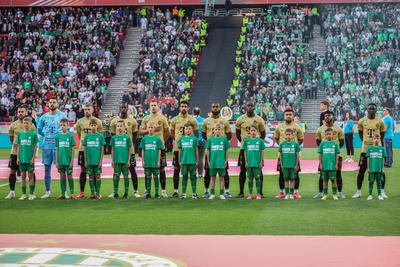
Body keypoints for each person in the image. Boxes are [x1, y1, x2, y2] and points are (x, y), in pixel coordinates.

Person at [353, 103, 386, 199]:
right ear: (367, 110)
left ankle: (382, 192)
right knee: (362, 171)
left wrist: (377, 144)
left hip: (377, 150)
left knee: (381, 171)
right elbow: (360, 133)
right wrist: (365, 142)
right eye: (370, 109)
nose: (371, 110)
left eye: (373, 109)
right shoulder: (362, 121)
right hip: (365, 149)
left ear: (376, 110)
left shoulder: (380, 121)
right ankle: (358, 191)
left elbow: (382, 134)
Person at [37, 97, 67, 199]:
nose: (52, 104)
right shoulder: (43, 117)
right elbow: (39, 130)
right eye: (50, 102)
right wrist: (46, 135)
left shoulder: (62, 115)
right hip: (47, 146)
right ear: (48, 105)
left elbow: (66, 130)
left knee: (62, 169)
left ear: (57, 104)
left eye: (54, 102)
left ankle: (64, 192)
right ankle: (47, 191)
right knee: (47, 169)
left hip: (59, 146)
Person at [235, 101, 266, 198]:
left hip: (255, 149)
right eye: (248, 105)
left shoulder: (259, 119)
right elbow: (237, 134)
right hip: (244, 149)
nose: (250, 107)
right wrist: (246, 143)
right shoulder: (240, 119)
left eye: (251, 105)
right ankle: (241, 192)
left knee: (259, 170)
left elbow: (263, 134)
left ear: (254, 107)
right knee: (242, 170)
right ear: (246, 107)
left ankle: (259, 192)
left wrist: (255, 142)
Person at [140, 100, 170, 198]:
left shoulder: (162, 118)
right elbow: (140, 131)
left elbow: (167, 132)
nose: (153, 107)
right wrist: (149, 130)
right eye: (151, 105)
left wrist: (161, 142)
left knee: (161, 169)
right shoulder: (146, 118)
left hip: (159, 148)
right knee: (147, 169)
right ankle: (146, 190)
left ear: (158, 107)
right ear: (149, 107)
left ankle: (163, 190)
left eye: (155, 105)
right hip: (149, 147)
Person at [5, 105, 36, 199]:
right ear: (17, 113)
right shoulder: (13, 125)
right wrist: (16, 145)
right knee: (12, 171)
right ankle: (12, 191)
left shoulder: (31, 125)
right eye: (19, 112)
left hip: (27, 152)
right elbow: (11, 138)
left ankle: (32, 192)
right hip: (15, 152)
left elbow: (34, 139)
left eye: (22, 111)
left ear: (25, 112)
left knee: (31, 173)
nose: (20, 113)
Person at [201, 103, 232, 199]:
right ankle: (207, 191)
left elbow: (229, 134)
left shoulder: (224, 121)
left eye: (217, 107)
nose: (215, 108)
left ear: (219, 108)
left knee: (225, 172)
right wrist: (211, 142)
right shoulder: (206, 121)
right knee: (207, 172)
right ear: (211, 108)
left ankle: (226, 191)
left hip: (221, 151)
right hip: (211, 151)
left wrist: (222, 142)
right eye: (213, 107)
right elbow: (203, 134)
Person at [109, 103, 139, 198]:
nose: (123, 108)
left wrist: (131, 147)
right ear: (119, 108)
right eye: (121, 107)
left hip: (130, 151)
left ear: (127, 108)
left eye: (125, 107)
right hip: (119, 151)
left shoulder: (133, 121)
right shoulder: (114, 121)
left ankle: (135, 191)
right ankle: (115, 192)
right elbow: (112, 136)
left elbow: (134, 136)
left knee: (132, 171)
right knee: (116, 173)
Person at [314, 111, 345, 199]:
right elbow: (318, 142)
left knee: (338, 173)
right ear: (324, 118)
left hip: (335, 155)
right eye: (326, 116)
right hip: (325, 156)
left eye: (329, 115)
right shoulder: (320, 129)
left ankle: (339, 192)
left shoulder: (338, 129)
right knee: (322, 174)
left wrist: (335, 150)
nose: (327, 117)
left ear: (333, 116)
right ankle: (321, 192)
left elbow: (342, 141)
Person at [170, 101, 198, 198]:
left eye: (185, 106)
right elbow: (172, 132)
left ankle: (193, 192)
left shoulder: (192, 119)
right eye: (182, 106)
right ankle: (176, 191)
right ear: (179, 107)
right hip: (178, 148)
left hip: (189, 148)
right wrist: (178, 141)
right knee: (176, 169)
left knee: (191, 173)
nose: (184, 108)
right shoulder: (174, 119)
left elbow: (196, 133)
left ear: (188, 108)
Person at [274, 108, 304, 199]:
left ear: (293, 116)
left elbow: (301, 139)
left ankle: (295, 192)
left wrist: (294, 148)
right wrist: (284, 147)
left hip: (293, 154)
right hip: (283, 154)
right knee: (281, 173)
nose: (288, 116)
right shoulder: (279, 127)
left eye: (290, 114)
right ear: (284, 116)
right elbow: (276, 138)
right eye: (286, 114)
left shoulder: (297, 127)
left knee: (295, 173)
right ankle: (282, 192)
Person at [75, 104, 103, 198]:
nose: (86, 111)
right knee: (83, 170)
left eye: (88, 109)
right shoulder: (80, 121)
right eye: (85, 109)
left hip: (94, 150)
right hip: (83, 149)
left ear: (92, 110)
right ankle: (82, 192)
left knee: (95, 171)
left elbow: (100, 135)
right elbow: (79, 135)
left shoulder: (98, 121)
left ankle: (96, 193)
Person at [139, 121, 164, 199]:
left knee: (156, 177)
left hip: (155, 162)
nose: (150, 129)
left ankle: (156, 193)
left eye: (152, 127)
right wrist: (142, 161)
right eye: (149, 127)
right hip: (147, 162)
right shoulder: (144, 139)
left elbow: (160, 150)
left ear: (154, 129)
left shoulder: (157, 139)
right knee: (148, 177)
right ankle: (148, 193)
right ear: (147, 128)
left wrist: (158, 161)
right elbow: (142, 150)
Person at [82, 119, 106, 199]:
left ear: (97, 126)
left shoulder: (100, 136)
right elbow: (84, 149)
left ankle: (98, 193)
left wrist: (100, 161)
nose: (93, 127)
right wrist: (85, 160)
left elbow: (102, 150)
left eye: (94, 125)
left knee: (98, 176)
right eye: (91, 125)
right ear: (89, 127)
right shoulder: (87, 137)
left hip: (97, 161)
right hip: (89, 161)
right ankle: (92, 193)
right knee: (91, 176)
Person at [205, 123, 230, 200]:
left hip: (221, 162)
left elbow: (227, 150)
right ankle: (212, 194)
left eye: (219, 129)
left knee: (222, 178)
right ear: (213, 131)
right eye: (216, 129)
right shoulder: (210, 140)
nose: (217, 131)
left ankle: (222, 194)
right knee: (212, 178)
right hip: (213, 162)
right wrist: (208, 161)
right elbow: (207, 151)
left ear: (221, 131)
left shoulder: (224, 139)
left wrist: (226, 160)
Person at [16, 117, 38, 201]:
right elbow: (18, 146)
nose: (26, 124)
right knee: (23, 176)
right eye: (24, 123)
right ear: (23, 124)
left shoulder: (33, 134)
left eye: (27, 123)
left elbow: (35, 146)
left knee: (30, 175)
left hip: (30, 159)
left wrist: (33, 158)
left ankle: (32, 194)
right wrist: (18, 157)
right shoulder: (20, 134)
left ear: (31, 124)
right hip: (22, 158)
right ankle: (24, 194)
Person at [110, 120, 132, 199]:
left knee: (126, 176)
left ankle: (126, 194)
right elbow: (112, 149)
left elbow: (130, 149)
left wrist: (129, 160)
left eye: (121, 126)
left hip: (125, 161)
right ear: (116, 127)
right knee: (116, 176)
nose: (119, 127)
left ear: (124, 127)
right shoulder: (114, 138)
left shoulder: (127, 137)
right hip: (116, 161)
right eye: (118, 126)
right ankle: (115, 193)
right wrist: (112, 160)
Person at [242, 125, 266, 200]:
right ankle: (250, 194)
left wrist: (262, 161)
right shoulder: (246, 141)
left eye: (254, 130)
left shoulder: (260, 141)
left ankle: (258, 194)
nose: (253, 132)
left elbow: (262, 151)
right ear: (249, 132)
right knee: (250, 178)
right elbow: (245, 152)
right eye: (251, 130)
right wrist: (246, 162)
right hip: (249, 163)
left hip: (257, 163)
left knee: (258, 178)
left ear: (257, 132)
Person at [55, 118, 76, 200]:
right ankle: (63, 193)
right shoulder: (58, 137)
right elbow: (57, 149)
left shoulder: (70, 136)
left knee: (70, 176)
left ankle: (72, 193)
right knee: (62, 176)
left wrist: (71, 161)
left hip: (68, 160)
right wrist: (56, 161)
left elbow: (73, 149)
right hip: (60, 161)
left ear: (68, 126)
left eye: (64, 125)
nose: (62, 126)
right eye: (61, 125)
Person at [318, 128, 340, 201]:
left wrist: (336, 164)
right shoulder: (322, 144)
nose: (328, 135)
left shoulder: (335, 144)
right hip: (324, 166)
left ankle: (334, 194)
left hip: (332, 166)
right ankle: (325, 194)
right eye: (327, 134)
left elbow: (337, 155)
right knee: (325, 180)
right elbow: (320, 154)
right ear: (325, 135)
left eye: (329, 134)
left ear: (332, 135)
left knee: (334, 180)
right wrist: (320, 164)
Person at [178, 123, 198, 199]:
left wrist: (197, 161)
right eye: (186, 129)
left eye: (189, 129)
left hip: (192, 161)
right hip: (184, 162)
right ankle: (183, 193)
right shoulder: (181, 139)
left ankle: (193, 193)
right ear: (184, 130)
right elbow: (180, 151)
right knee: (184, 177)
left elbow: (196, 150)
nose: (188, 130)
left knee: (193, 177)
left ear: (192, 130)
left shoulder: (194, 139)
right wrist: (179, 161)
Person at [278, 128, 300, 200]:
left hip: (293, 165)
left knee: (293, 180)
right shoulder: (282, 144)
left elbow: (297, 155)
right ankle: (287, 194)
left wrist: (296, 165)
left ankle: (291, 194)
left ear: (292, 135)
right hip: (285, 165)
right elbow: (280, 155)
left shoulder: (296, 144)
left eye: (289, 135)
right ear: (284, 135)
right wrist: (281, 164)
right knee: (286, 180)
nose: (288, 136)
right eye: (286, 135)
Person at [366, 134, 386, 201]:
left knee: (379, 182)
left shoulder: (382, 149)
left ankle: (379, 195)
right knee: (371, 181)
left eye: (378, 138)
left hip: (379, 169)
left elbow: (383, 159)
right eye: (375, 138)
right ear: (372, 139)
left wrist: (383, 168)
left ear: (380, 139)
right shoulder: (370, 148)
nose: (376, 139)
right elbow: (368, 158)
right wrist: (368, 168)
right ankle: (370, 195)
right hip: (371, 169)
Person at [193, 107, 205, 178]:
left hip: (194, 141)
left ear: (193, 112)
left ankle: (193, 173)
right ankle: (200, 174)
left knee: (193, 158)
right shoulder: (203, 120)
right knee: (201, 158)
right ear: (199, 112)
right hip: (202, 141)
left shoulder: (191, 120)